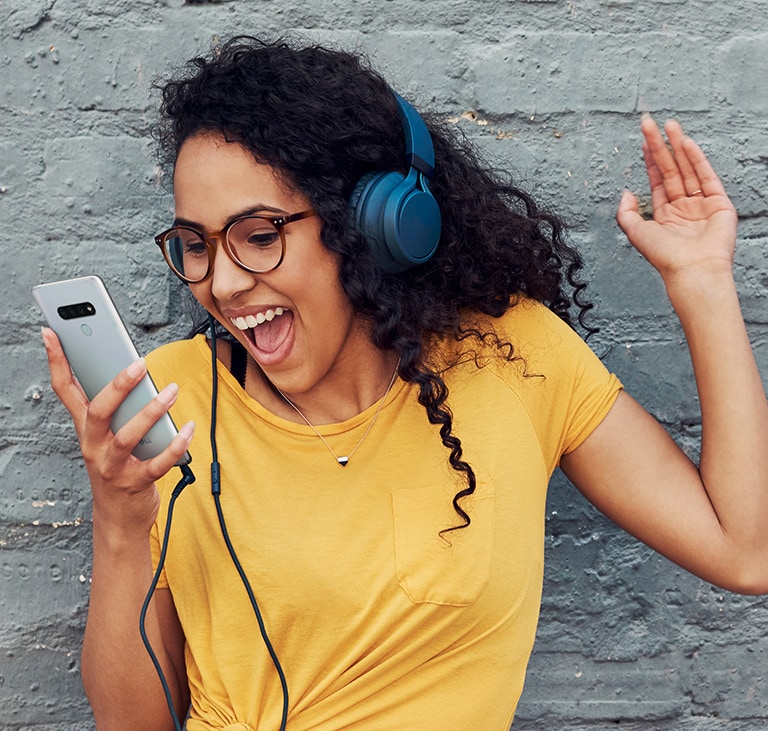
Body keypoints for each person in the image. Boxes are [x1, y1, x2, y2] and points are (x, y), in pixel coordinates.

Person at [41, 35, 768, 731]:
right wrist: (120, 515)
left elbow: (745, 550)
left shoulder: (513, 358)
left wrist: (702, 284)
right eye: (195, 245)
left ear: (372, 225)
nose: (223, 283)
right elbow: (131, 721)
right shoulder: (166, 407)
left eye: (259, 236)